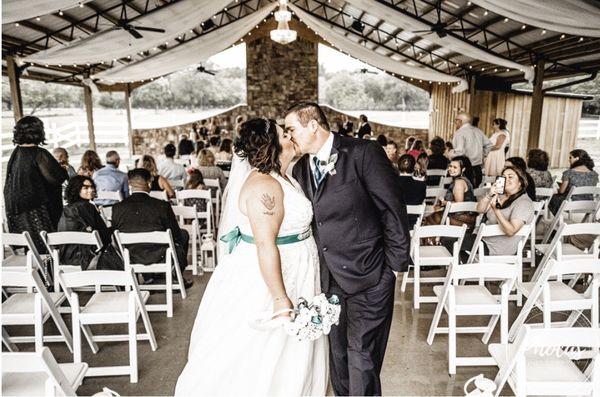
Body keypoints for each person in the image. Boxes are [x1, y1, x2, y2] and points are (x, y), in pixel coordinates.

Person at [175, 118, 327, 396]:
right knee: (266, 350)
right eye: (285, 133)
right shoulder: (264, 187)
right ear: (272, 145)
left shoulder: (284, 176)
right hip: (274, 278)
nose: (292, 136)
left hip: (298, 268)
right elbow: (265, 245)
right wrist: (281, 300)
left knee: (290, 350)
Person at [286, 102, 410, 396]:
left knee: (362, 356)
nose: (290, 136)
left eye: (292, 129)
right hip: (329, 281)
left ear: (313, 125)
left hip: (371, 274)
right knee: (338, 356)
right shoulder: (302, 168)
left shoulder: (362, 153)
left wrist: (392, 267)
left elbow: (392, 208)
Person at [111, 168, 192, 287]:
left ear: (130, 185)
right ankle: (175, 276)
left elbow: (115, 235)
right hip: (160, 255)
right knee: (183, 234)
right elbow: (175, 235)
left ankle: (149, 277)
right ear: (149, 183)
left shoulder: (117, 208)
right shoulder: (162, 206)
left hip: (130, 256)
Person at [4, 116, 68, 252]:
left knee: (32, 249)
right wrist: (63, 169)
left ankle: (37, 272)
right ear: (38, 132)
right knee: (47, 249)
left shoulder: (16, 153)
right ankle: (49, 273)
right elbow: (56, 178)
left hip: (18, 209)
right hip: (37, 209)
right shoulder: (39, 154)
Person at [466, 166, 534, 258]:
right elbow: (480, 209)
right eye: (503, 177)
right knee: (450, 239)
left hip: (496, 247)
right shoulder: (500, 196)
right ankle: (470, 266)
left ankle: (469, 267)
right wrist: (490, 194)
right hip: (483, 238)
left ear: (520, 182)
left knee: (451, 241)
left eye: (510, 177)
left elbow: (511, 231)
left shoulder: (524, 203)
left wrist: (496, 210)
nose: (506, 179)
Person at [57, 176, 123, 271]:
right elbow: (103, 236)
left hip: (66, 257)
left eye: (92, 187)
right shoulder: (87, 207)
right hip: (86, 258)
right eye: (86, 188)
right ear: (76, 189)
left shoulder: (67, 208)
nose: (91, 190)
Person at [424, 156, 477, 229]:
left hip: (462, 219)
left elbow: (459, 205)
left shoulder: (459, 183)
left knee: (427, 220)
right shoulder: (464, 179)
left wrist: (444, 202)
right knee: (432, 217)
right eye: (450, 166)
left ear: (463, 169)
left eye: (455, 167)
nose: (451, 169)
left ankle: (433, 239)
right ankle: (434, 239)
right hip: (465, 217)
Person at [549, 149, 599, 213]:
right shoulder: (594, 174)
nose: (569, 159)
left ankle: (558, 220)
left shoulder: (569, 173)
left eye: (570, 157)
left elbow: (561, 191)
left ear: (577, 158)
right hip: (589, 203)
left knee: (551, 198)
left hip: (571, 203)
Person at [452, 112, 491, 187]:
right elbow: (489, 145)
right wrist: (483, 155)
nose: (455, 123)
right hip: (477, 168)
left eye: (456, 120)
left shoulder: (460, 133)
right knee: (476, 192)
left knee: (464, 192)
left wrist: (451, 155)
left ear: (460, 121)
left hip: (465, 169)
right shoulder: (479, 131)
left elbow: (459, 152)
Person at [397, 154, 426, 228]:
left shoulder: (390, 184)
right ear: (414, 167)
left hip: (395, 224)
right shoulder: (421, 185)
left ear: (398, 166)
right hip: (413, 224)